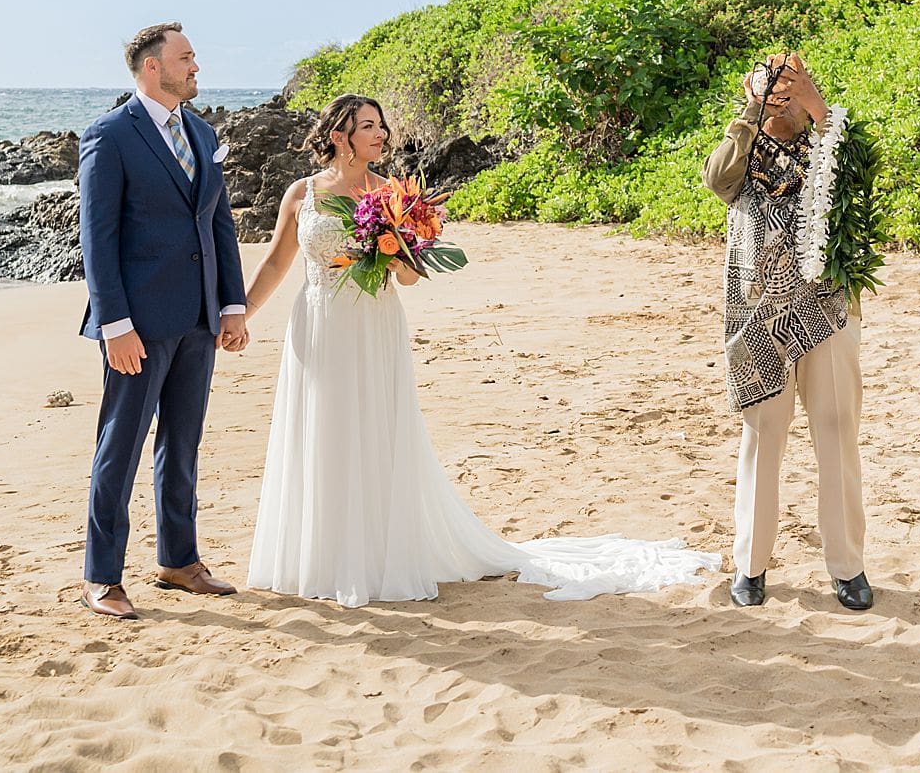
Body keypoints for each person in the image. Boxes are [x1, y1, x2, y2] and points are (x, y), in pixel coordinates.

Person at [243, 92, 719, 608]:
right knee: (321, 429)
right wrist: (240, 316)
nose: (380, 134)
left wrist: (393, 252)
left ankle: (374, 556)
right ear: (339, 136)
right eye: (368, 126)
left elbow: (410, 278)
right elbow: (276, 263)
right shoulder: (303, 193)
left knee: (374, 429)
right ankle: (322, 556)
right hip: (318, 323)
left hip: (371, 324)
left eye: (381, 125)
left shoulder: (392, 195)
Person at [78, 23, 248, 619]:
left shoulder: (202, 132)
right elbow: (97, 238)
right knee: (120, 448)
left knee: (183, 444)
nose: (196, 66)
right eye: (186, 57)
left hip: (199, 316)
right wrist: (114, 323)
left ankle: (179, 560)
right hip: (138, 324)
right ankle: (102, 576)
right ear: (152, 67)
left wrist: (231, 305)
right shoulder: (109, 135)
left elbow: (218, 222)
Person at [702, 52, 872, 612]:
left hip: (828, 312)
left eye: (790, 91)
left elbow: (859, 180)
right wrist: (754, 110)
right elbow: (717, 179)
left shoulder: (829, 144)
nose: (783, 100)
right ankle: (750, 566)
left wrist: (817, 108)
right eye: (773, 88)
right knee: (762, 439)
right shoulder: (743, 146)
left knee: (837, 433)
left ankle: (848, 567)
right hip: (758, 319)